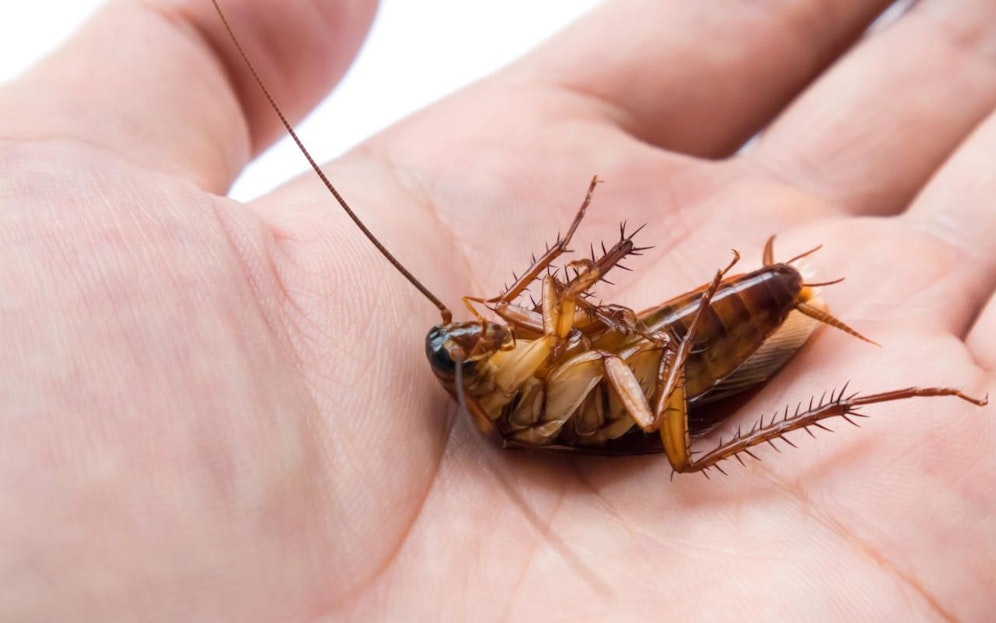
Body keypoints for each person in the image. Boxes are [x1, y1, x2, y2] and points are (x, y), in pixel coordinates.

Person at [1, 0, 993, 620]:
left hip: (660, 341)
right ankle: (883, 386)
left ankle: (768, 315)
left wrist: (574, 265)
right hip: (660, 404)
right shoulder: (506, 409)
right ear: (471, 379)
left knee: (604, 330)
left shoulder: (512, 354)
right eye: (468, 343)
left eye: (477, 330)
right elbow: (612, 402)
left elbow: (570, 314)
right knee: (672, 440)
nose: (483, 330)